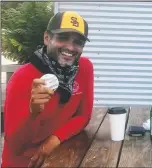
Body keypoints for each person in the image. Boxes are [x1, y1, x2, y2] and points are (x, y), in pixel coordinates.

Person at [1, 11, 94, 167]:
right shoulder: (22, 78)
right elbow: (15, 146)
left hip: (60, 155)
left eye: (78, 42)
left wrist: (54, 139)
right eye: (63, 37)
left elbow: (83, 116)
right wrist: (33, 113)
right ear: (47, 38)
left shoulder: (84, 68)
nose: (70, 47)